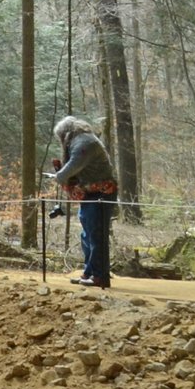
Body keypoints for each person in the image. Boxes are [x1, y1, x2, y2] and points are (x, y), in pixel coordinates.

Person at [50, 115, 118, 288]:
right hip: (91, 193)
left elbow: (73, 166)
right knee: (87, 235)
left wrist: (59, 176)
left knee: (96, 235)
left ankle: (99, 276)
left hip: (100, 194)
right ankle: (89, 272)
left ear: (65, 134)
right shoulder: (82, 140)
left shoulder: (84, 143)